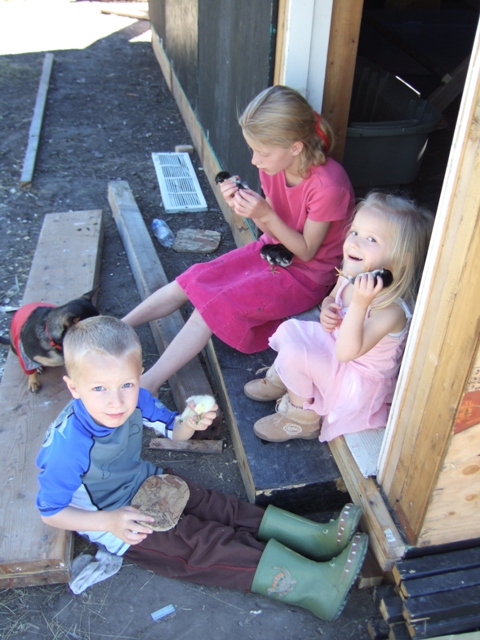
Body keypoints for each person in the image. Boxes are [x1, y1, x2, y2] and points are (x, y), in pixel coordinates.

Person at [36, 315, 368, 622]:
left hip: (147, 482)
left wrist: (190, 421)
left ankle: (316, 539)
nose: (117, 401)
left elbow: (174, 430)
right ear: (74, 388)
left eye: (127, 384)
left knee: (216, 505)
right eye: (99, 388)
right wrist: (108, 521)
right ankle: (316, 586)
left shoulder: (136, 399)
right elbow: (51, 512)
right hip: (117, 521)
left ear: (138, 375)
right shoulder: (67, 448)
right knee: (201, 545)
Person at [122, 85, 355, 395]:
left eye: (263, 152)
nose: (255, 160)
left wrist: (266, 213)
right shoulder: (273, 167)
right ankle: (117, 328)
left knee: (210, 308)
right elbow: (269, 231)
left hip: (305, 277)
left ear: (296, 147)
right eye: (252, 150)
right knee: (192, 279)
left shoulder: (329, 186)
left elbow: (307, 251)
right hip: (270, 250)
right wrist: (247, 208)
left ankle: (148, 384)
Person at [245, 192, 434, 443]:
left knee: (296, 353)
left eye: (371, 239)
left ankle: (302, 418)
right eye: (354, 232)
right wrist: (327, 310)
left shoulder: (391, 310)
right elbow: (332, 298)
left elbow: (347, 353)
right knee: (290, 330)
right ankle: (289, 380)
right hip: (334, 350)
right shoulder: (352, 274)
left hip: (354, 379)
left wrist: (360, 304)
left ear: (402, 259)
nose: (355, 243)